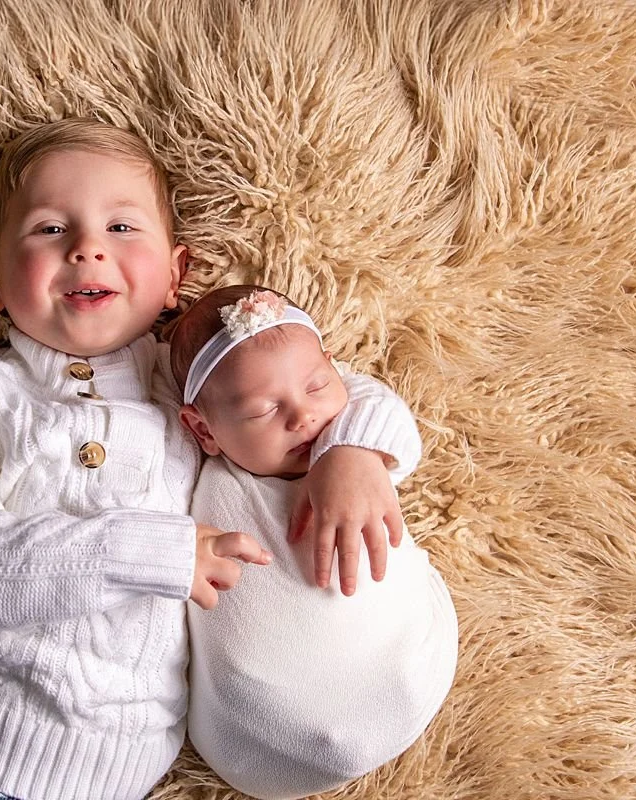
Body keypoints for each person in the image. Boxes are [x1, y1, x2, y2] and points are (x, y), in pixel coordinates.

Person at [0, 119, 420, 800]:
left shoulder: (197, 385)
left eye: (122, 228)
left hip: (121, 774)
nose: (88, 249)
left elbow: (321, 388)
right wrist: (151, 554)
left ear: (175, 277)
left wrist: (354, 451)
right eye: (48, 230)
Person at [170, 285, 459, 800]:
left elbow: (376, 405)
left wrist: (354, 453)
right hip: (259, 735)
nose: (302, 417)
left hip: (404, 671)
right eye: (263, 410)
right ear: (204, 430)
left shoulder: (345, 435)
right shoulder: (201, 472)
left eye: (318, 384)